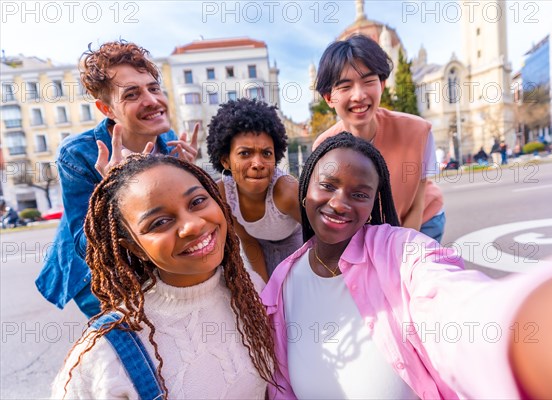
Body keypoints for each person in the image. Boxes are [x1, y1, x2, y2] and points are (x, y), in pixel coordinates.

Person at [261, 133, 552, 399]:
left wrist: (540, 336)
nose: (339, 202)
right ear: (305, 188)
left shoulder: (403, 253)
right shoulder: (284, 281)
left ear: (374, 203)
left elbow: (457, 306)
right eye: (327, 185)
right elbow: (281, 387)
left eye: (360, 194)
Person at [52, 154, 277, 399]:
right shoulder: (104, 356)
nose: (192, 225)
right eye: (159, 222)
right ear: (135, 248)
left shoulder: (251, 289)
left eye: (197, 201)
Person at [36, 40, 198, 318]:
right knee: (131, 349)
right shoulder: (79, 153)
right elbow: (84, 244)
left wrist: (186, 176)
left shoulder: (168, 140)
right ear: (107, 109)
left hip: (149, 262)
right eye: (132, 95)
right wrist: (116, 191)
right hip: (96, 275)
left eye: (154, 88)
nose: (151, 101)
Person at [312, 34, 445, 243]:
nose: (359, 95)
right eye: (345, 87)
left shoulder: (418, 131)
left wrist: (398, 254)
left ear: (382, 85)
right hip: (369, 231)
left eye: (368, 82)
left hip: (423, 219)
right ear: (329, 98)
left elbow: (417, 202)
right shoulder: (323, 149)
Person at [206, 98, 302, 281]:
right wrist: (266, 286)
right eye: (245, 153)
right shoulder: (224, 194)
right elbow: (248, 241)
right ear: (225, 160)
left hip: (299, 251)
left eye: (266, 153)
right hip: (260, 253)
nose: (258, 164)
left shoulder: (286, 191)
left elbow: (321, 236)